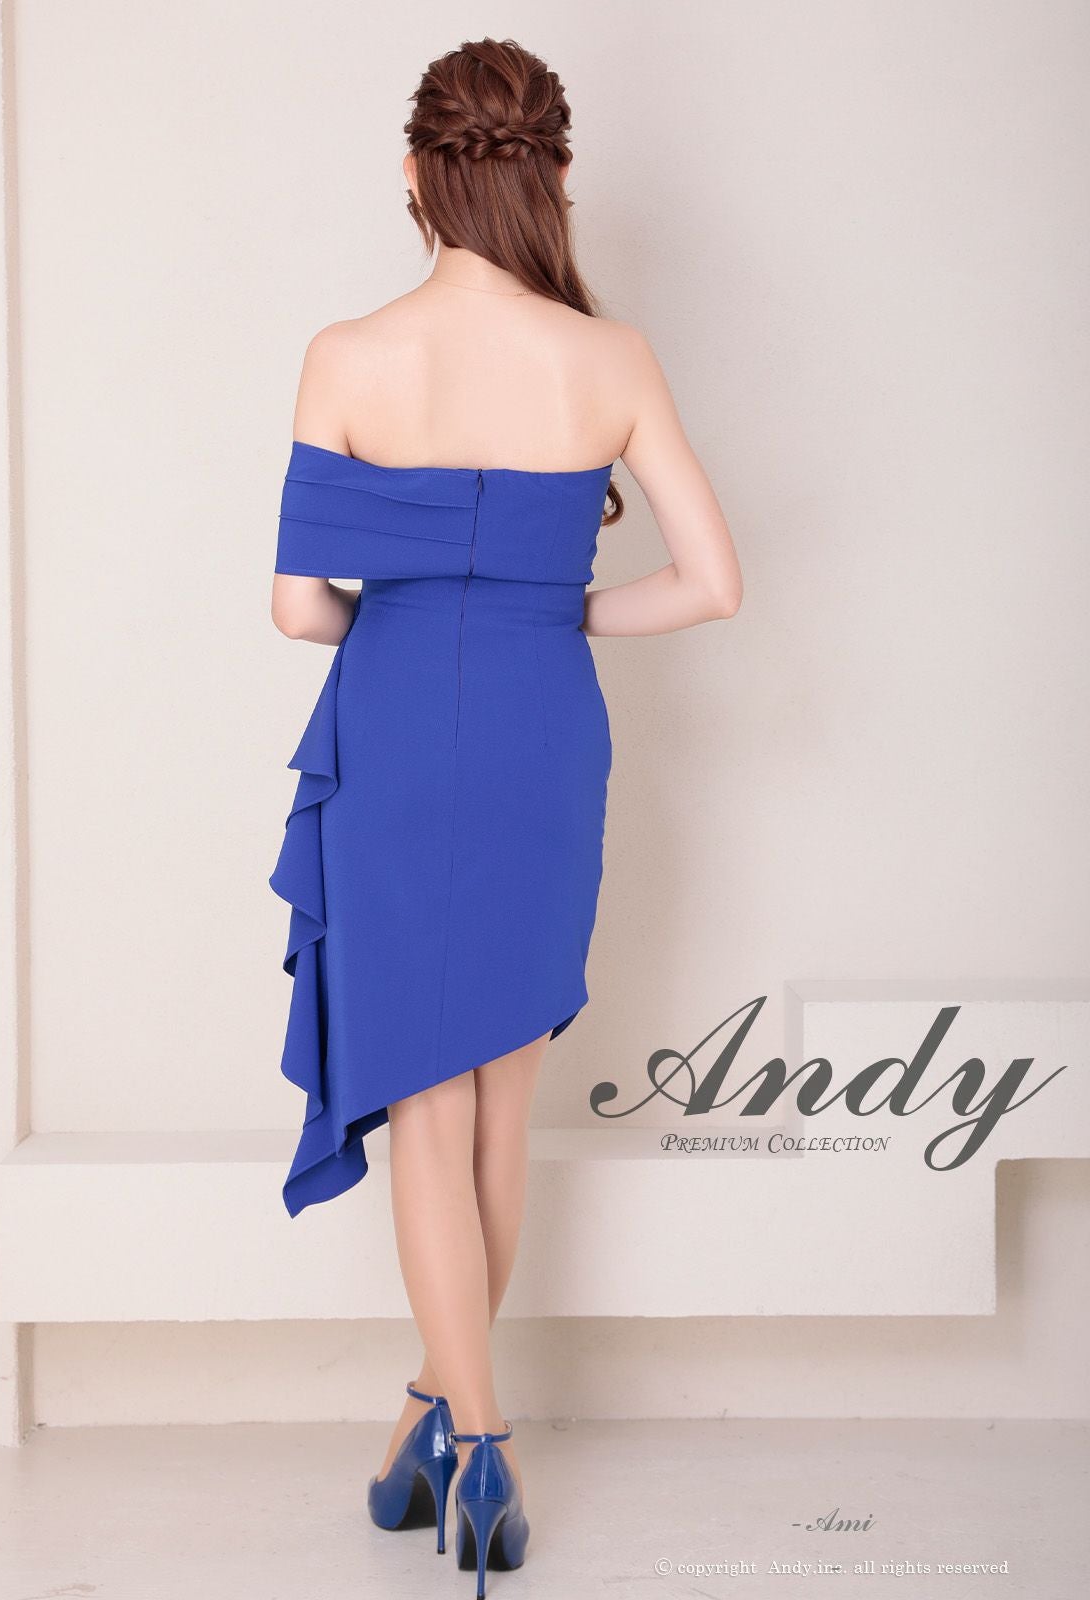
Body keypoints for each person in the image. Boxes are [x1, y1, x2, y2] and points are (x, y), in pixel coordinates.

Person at [269, 36, 741, 1596]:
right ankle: (443, 1419)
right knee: (495, 1109)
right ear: (554, 176)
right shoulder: (612, 358)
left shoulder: (347, 353)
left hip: (399, 731)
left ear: (415, 175)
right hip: (546, 731)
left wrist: (415, 631)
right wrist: (560, 618)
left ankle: (474, 1439)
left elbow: (299, 610)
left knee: (424, 1103)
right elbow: (713, 583)